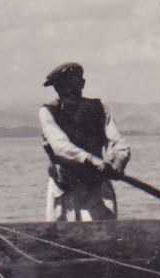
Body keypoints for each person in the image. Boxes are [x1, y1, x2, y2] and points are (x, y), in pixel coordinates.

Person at [38, 61, 131, 222]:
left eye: (71, 85)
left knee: (104, 238)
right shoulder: (48, 112)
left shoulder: (99, 108)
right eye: (61, 87)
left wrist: (119, 159)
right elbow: (61, 146)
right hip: (64, 190)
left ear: (81, 84)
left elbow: (116, 141)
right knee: (60, 240)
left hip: (96, 190)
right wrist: (92, 160)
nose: (66, 91)